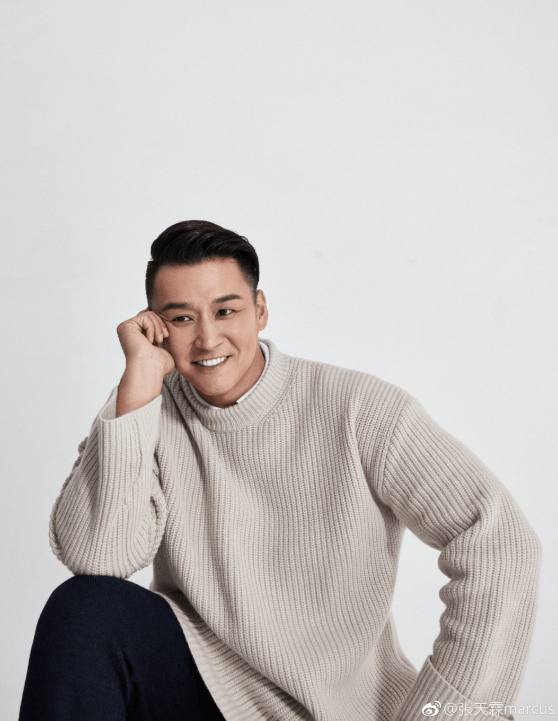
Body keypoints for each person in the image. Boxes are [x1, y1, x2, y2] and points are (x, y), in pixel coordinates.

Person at [20, 220, 541, 721]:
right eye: (181, 319)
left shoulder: (359, 409)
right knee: (84, 609)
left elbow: (500, 542)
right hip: (202, 686)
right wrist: (137, 384)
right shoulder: (147, 410)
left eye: (225, 311)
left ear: (260, 309)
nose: (207, 339)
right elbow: (97, 557)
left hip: (333, 708)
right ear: (155, 327)